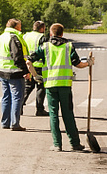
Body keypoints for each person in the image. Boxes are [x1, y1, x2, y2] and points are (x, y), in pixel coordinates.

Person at [29, 23, 89, 152]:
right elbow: (78, 64)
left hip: (50, 86)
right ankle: (75, 143)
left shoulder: (44, 47)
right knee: (68, 114)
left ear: (51, 33)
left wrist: (35, 75)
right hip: (65, 86)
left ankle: (57, 144)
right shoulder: (68, 47)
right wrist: (89, 63)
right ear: (62, 33)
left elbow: (29, 61)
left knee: (53, 115)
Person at [0, 19, 31, 131]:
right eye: (20, 26)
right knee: (17, 97)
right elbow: (17, 57)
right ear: (16, 27)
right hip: (14, 72)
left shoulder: (0, 38)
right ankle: (15, 123)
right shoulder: (14, 38)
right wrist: (26, 71)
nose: (21, 28)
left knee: (6, 97)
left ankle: (5, 122)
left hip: (2, 71)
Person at [21, 21, 48, 117]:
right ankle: (39, 109)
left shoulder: (25, 36)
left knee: (27, 87)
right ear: (42, 28)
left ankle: (19, 108)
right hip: (39, 66)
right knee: (40, 88)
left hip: (27, 65)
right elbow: (44, 52)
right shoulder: (42, 38)